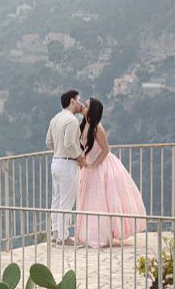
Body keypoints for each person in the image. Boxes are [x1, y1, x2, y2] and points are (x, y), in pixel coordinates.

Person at [76, 98, 147, 247]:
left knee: (99, 201)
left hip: (101, 167)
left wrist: (94, 164)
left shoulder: (97, 128)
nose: (84, 105)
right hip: (89, 167)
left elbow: (105, 150)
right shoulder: (84, 125)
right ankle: (89, 234)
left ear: (92, 110)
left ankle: (99, 236)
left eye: (87, 105)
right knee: (91, 201)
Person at [45, 90, 84, 244]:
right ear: (72, 101)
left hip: (55, 162)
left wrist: (58, 150)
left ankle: (55, 233)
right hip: (68, 163)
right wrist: (80, 158)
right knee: (66, 201)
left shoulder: (55, 119)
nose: (80, 103)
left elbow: (49, 142)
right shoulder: (72, 121)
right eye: (79, 100)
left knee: (57, 198)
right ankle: (63, 236)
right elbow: (69, 144)